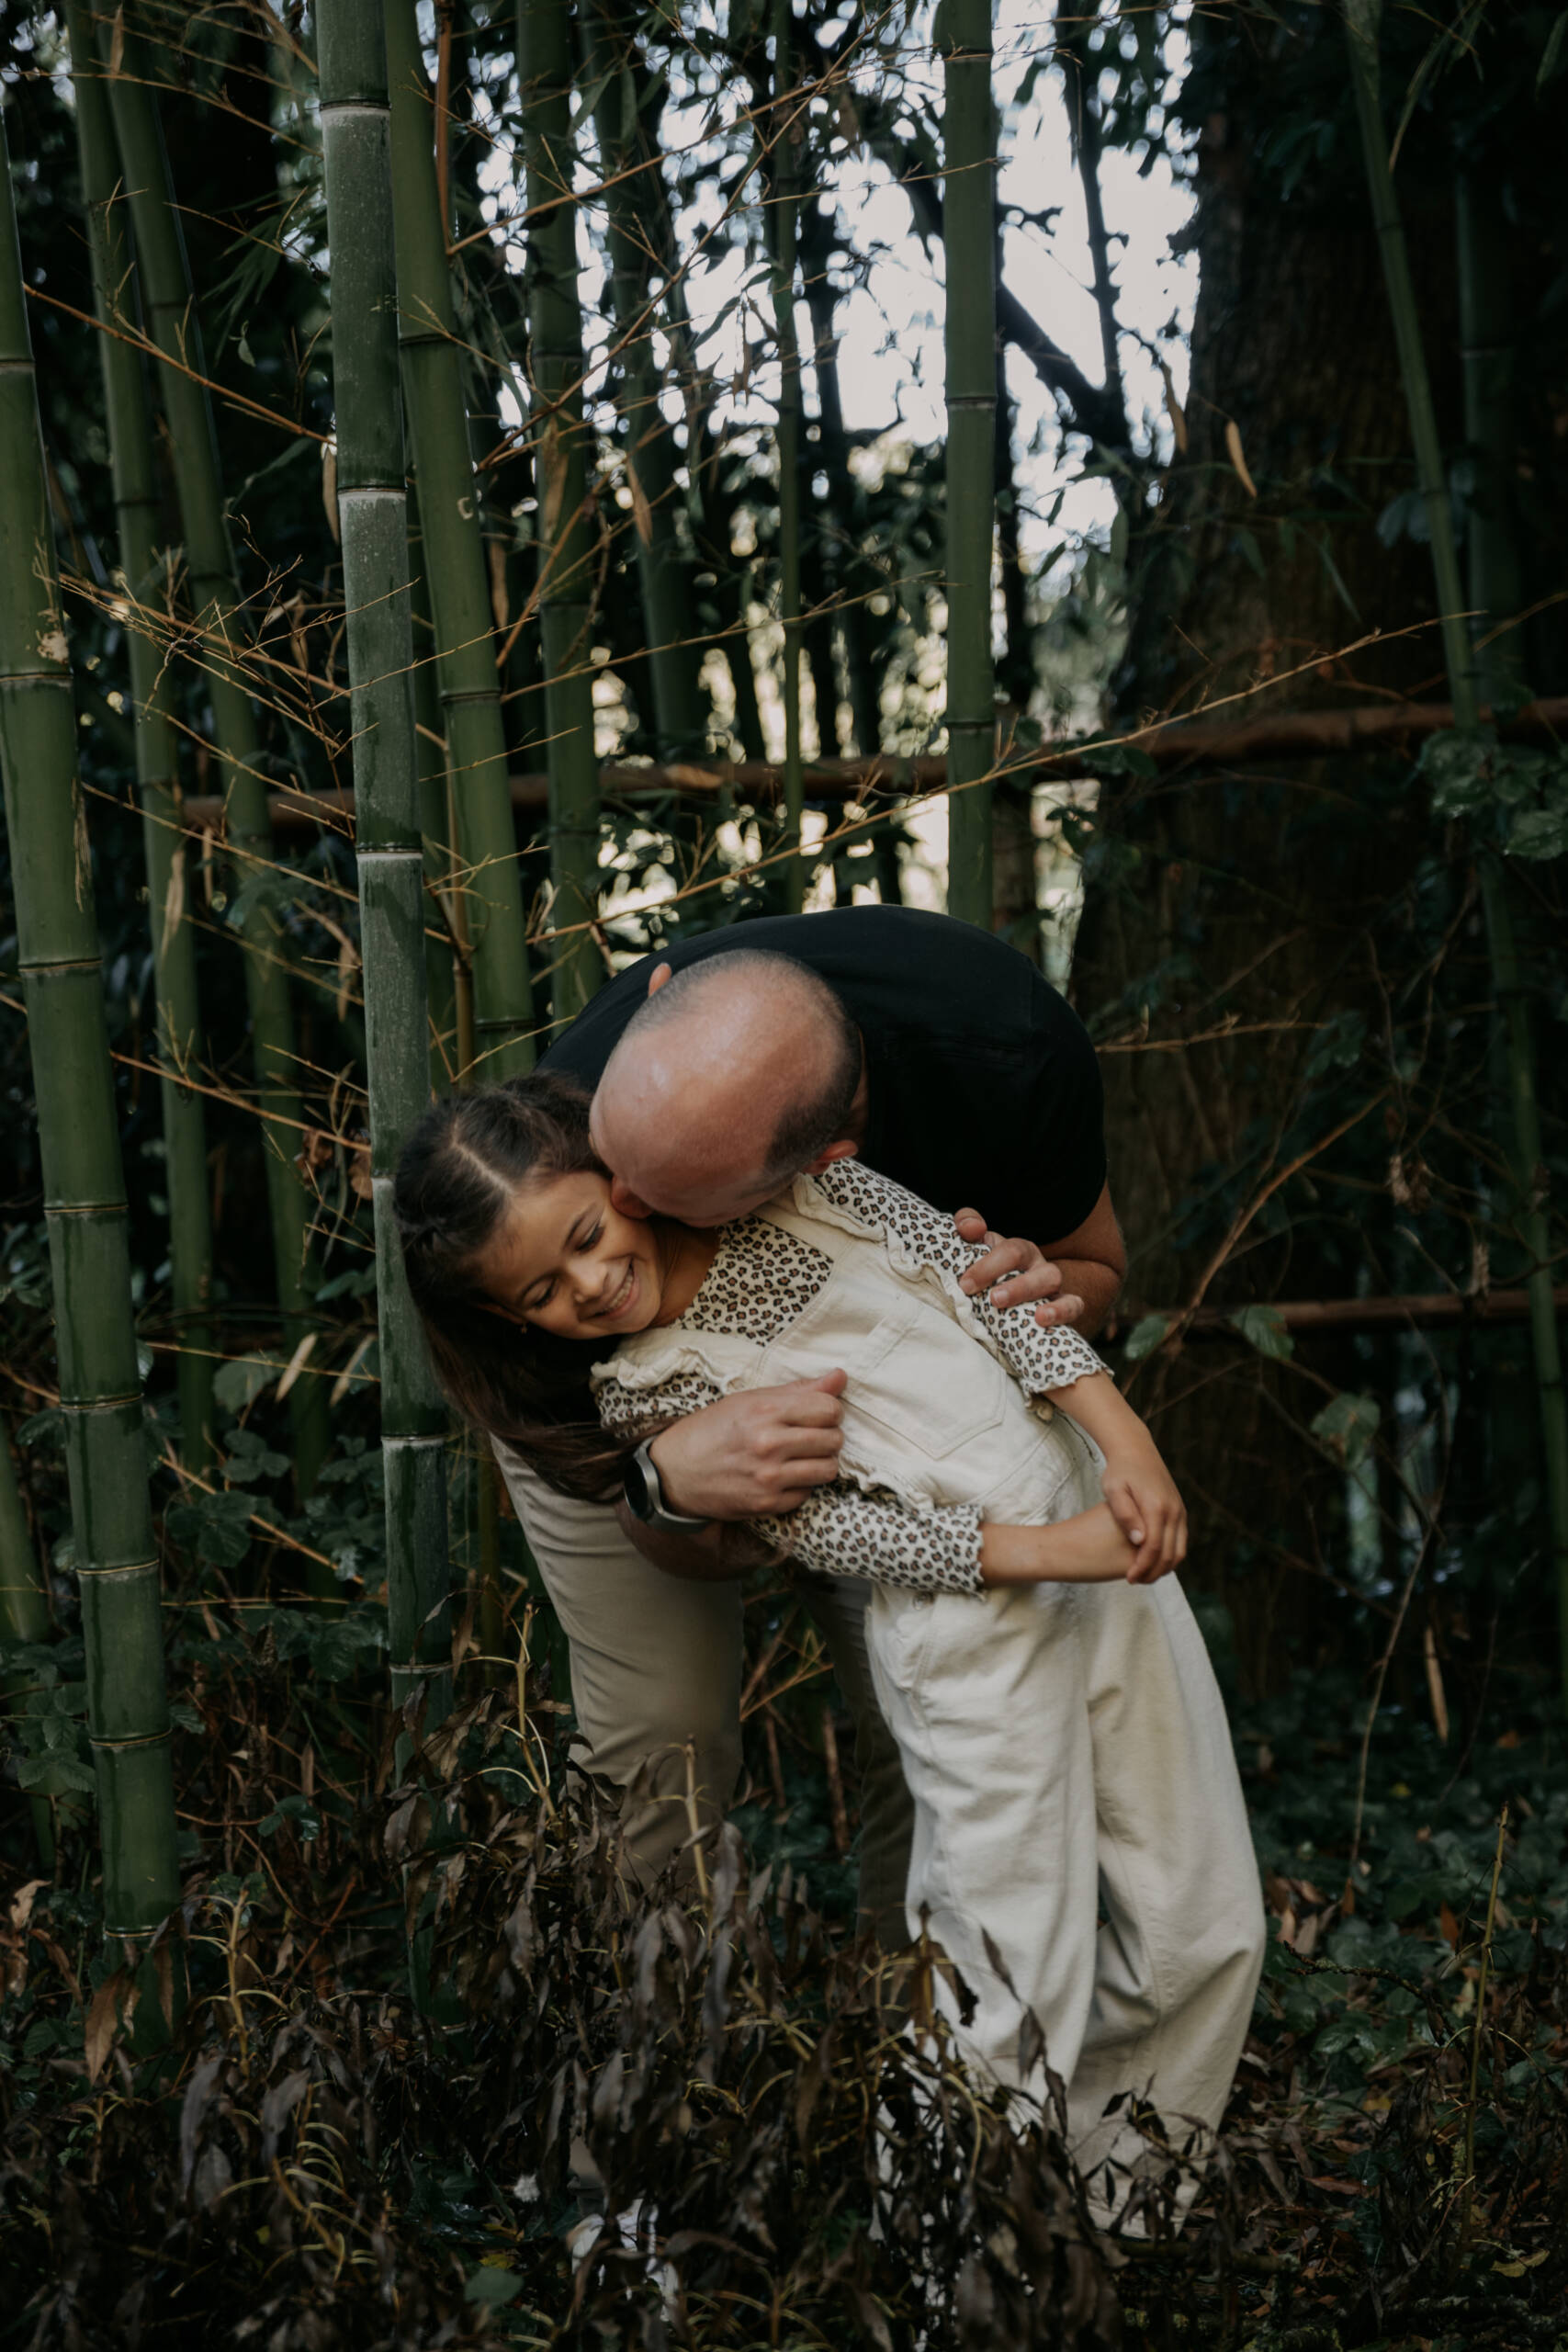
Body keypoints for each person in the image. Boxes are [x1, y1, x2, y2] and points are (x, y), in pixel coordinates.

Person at [393, 1069, 1267, 2211]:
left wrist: (1128, 1444)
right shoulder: (652, 1391)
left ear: (624, 1177)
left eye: (588, 1236)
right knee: (1005, 1974)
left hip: (1107, 1542)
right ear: (515, 1320)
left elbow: (989, 1290)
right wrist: (1062, 1550)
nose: (593, 1284)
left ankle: (1114, 2219)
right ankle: (957, 2275)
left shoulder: (820, 1187)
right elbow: (842, 1532)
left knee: (1205, 1920)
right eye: (546, 1292)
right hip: (974, 1632)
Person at [492, 906, 1168, 1947]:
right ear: (664, 992)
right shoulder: (568, 1159)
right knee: (662, 1733)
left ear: (824, 1171)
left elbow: (1097, 1272)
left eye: (668, 1196)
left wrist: (1030, 1282)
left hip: (899, 1412)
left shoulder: (1008, 1054)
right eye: (614, 1175)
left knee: (927, 1721)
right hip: (620, 1423)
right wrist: (666, 1480)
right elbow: (609, 1475)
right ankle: (634, 2070)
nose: (621, 1199)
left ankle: (907, 2044)